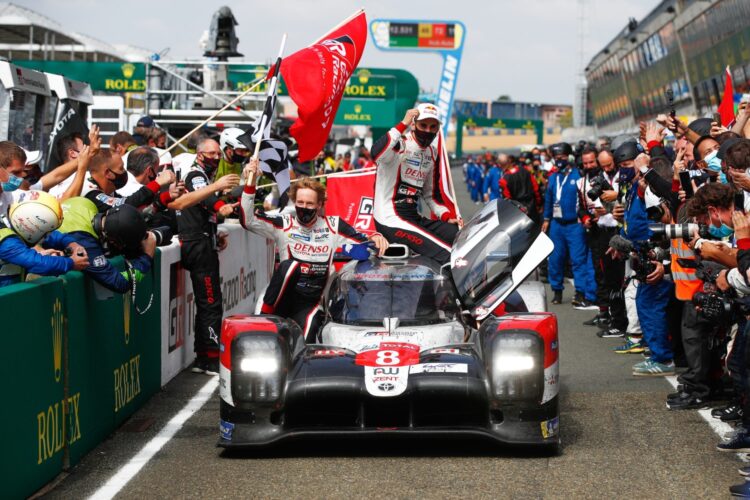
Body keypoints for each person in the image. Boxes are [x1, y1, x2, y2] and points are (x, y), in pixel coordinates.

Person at [240, 158, 388, 341]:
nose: (304, 207)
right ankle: (264, 317)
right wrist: (250, 184)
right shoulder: (284, 223)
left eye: (310, 204)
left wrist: (376, 238)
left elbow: (367, 246)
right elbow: (247, 220)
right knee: (290, 266)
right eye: (300, 203)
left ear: (319, 205)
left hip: (310, 303)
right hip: (280, 299)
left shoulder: (333, 225)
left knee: (306, 341)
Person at [176, 138, 239, 375]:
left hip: (202, 241)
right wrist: (221, 205)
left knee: (208, 303)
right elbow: (207, 198)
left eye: (217, 153)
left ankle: (205, 355)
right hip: (197, 246)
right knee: (210, 303)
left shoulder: (202, 175)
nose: (215, 157)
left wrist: (215, 231)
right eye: (210, 153)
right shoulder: (196, 174)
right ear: (199, 154)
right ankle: (210, 357)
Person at [370, 104, 460, 265]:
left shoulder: (432, 153)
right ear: (414, 124)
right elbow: (375, 153)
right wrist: (402, 124)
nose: (427, 130)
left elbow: (431, 195)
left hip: (413, 217)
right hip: (390, 219)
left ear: (438, 128)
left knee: (458, 235)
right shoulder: (399, 144)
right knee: (449, 256)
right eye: (423, 125)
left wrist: (446, 216)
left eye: (433, 126)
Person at [57, 197, 157, 293]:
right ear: (113, 241)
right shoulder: (84, 244)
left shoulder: (84, 202)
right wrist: (146, 257)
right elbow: (120, 282)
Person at [542, 142, 597, 309]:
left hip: (575, 225)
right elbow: (549, 199)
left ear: (569, 157)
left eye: (563, 158)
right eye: (557, 158)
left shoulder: (577, 176)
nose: (559, 160)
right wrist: (546, 219)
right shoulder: (553, 177)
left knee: (578, 260)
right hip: (557, 225)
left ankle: (580, 292)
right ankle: (556, 290)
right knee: (555, 259)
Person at [0, 190, 89, 287]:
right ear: (31, 225)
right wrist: (71, 263)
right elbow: (37, 263)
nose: (46, 236)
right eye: (45, 232)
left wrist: (72, 244)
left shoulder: (10, 227)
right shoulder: (7, 242)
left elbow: (53, 236)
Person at [83, 149, 175, 213]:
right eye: (121, 168)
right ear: (108, 173)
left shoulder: (109, 192)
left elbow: (135, 206)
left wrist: (168, 195)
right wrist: (157, 183)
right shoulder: (89, 191)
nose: (125, 171)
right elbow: (125, 205)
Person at [498, 153, 542, 223]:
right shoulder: (525, 170)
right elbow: (535, 188)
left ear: (500, 164)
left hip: (519, 210)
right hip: (532, 205)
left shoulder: (503, 180)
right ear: (509, 161)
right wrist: (539, 204)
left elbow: (508, 199)